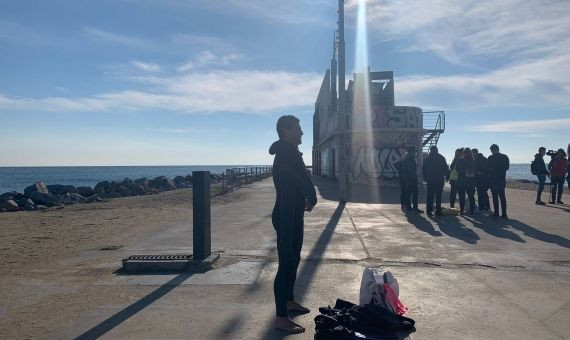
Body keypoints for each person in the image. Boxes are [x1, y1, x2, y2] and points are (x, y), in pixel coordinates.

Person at [269, 115, 317, 334]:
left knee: (294, 259)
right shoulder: (284, 154)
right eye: (298, 129)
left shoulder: (291, 153)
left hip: (295, 213)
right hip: (286, 215)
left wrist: (306, 192)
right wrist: (311, 193)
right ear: (286, 132)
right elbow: (292, 175)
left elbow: (299, 177)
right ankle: (281, 317)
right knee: (286, 263)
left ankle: (289, 301)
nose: (302, 133)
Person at [422, 145, 449, 216]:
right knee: (438, 196)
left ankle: (429, 210)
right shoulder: (441, 158)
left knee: (430, 196)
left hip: (430, 180)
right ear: (437, 150)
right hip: (439, 180)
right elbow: (445, 168)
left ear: (430, 150)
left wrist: (425, 178)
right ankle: (438, 211)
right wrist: (447, 177)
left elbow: (423, 169)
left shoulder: (426, 159)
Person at [487, 144, 509, 218]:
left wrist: (492, 171)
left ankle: (496, 213)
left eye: (491, 150)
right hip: (502, 178)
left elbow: (486, 168)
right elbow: (507, 167)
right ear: (498, 149)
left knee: (495, 196)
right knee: (502, 196)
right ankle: (504, 214)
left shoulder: (490, 157)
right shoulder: (505, 157)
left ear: (492, 150)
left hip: (493, 179)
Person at [401, 145, 423, 213]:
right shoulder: (410, 158)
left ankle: (409, 207)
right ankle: (415, 207)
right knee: (415, 193)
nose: (415, 152)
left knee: (408, 193)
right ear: (412, 151)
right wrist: (415, 177)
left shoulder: (405, 157)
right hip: (411, 179)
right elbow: (410, 169)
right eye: (414, 151)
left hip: (407, 178)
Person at [456, 147, 477, 215]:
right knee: (471, 197)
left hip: (462, 181)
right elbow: (476, 171)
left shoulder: (461, 160)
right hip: (471, 181)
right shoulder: (473, 161)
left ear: (464, 153)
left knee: (462, 196)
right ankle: (472, 210)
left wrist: (463, 172)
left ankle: (462, 210)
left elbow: (457, 169)